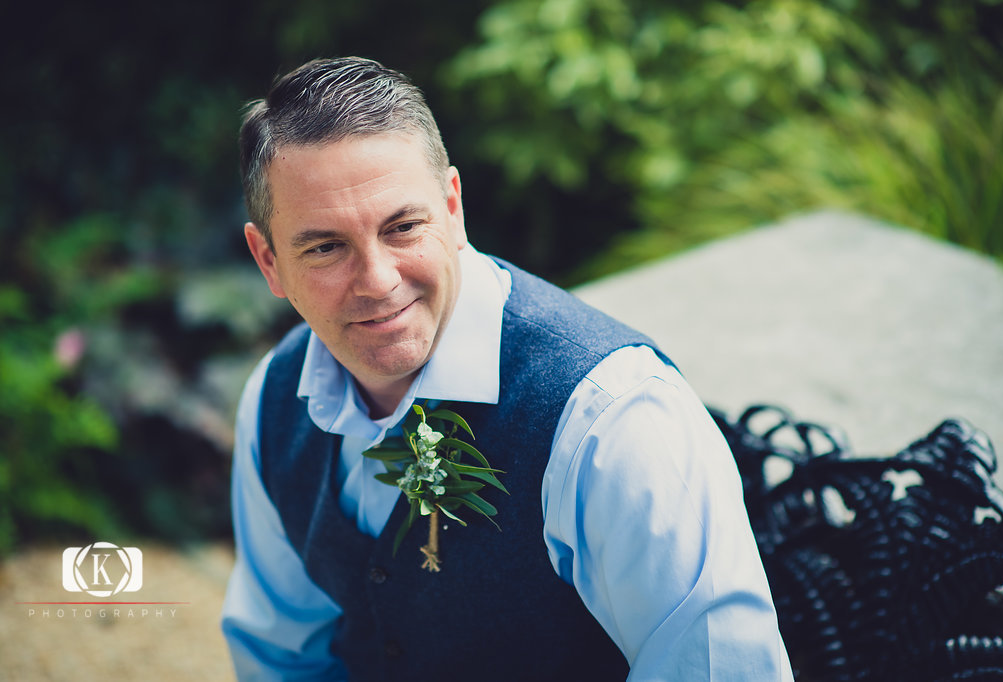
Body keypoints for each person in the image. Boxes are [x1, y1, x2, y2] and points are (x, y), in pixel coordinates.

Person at [221, 56, 793, 681]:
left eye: (403, 226)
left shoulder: (614, 419)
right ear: (269, 261)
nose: (379, 281)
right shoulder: (274, 397)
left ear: (453, 208)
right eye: (326, 247)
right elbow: (282, 657)